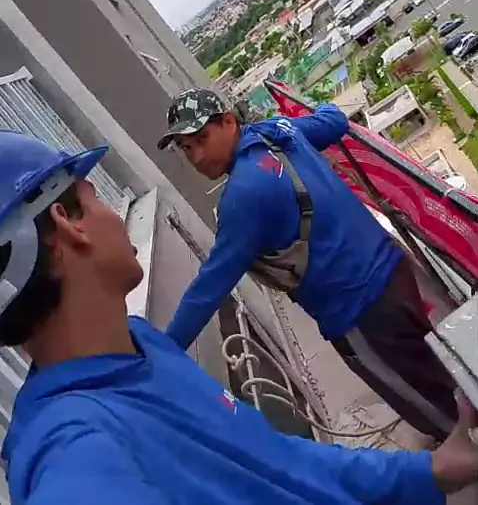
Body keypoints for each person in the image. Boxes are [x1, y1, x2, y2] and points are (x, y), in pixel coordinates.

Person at [0, 130, 478, 505]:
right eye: (96, 195)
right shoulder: (73, 444)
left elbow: (284, 461)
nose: (193, 156)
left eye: (197, 140)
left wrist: (428, 472)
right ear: (68, 222)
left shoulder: (140, 345)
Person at [159, 89, 458, 442]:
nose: (197, 156)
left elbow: (209, 287)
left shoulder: (243, 196)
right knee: (451, 370)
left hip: (361, 315)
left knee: (434, 407)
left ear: (228, 121)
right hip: (396, 273)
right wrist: (316, 106)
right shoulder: (279, 132)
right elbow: (333, 121)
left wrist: (161, 350)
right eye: (186, 147)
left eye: (201, 139)